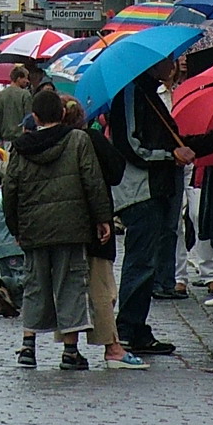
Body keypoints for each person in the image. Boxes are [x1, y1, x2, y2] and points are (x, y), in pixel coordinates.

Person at [108, 64, 213, 358]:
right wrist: (167, 156)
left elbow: (174, 145)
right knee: (141, 262)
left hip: (155, 189)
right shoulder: (131, 93)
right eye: (169, 61)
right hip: (140, 192)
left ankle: (136, 328)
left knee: (147, 263)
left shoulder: (146, 94)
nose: (173, 67)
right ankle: (128, 329)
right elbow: (131, 146)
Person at [2, 89, 112, 371]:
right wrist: (102, 218)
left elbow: (10, 188)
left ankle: (28, 346)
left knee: (34, 284)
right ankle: (70, 351)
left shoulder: (21, 147)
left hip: (34, 227)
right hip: (71, 226)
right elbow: (93, 180)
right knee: (71, 284)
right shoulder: (77, 140)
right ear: (62, 114)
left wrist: (15, 226)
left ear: (35, 117)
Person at [60, 94, 146, 370]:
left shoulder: (51, 142)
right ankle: (112, 347)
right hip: (93, 223)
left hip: (61, 228)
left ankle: (70, 347)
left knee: (70, 287)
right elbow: (113, 172)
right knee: (102, 287)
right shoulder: (90, 140)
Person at [0, 65, 32, 151]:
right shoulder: (25, 94)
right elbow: (29, 117)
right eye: (25, 78)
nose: (27, 81)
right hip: (22, 138)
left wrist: (0, 133)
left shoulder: (1, 95)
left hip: (6, 138)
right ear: (19, 78)